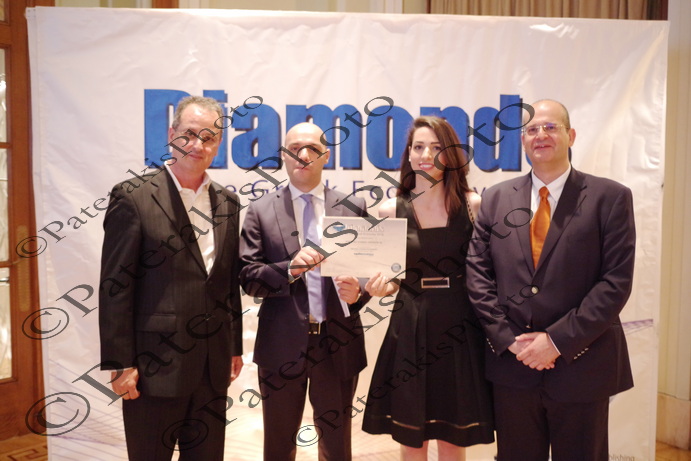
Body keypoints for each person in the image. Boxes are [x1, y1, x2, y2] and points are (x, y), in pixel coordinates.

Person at [466, 99, 636, 461]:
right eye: (532, 129)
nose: (540, 135)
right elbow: (478, 275)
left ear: (570, 135)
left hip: (582, 365)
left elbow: (615, 282)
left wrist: (557, 341)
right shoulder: (495, 199)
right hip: (513, 367)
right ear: (523, 141)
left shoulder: (610, 198)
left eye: (550, 127)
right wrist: (509, 340)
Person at [99, 95, 244, 461]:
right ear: (171, 134)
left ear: (218, 144)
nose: (197, 145)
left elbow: (228, 282)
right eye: (189, 134)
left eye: (208, 137)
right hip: (153, 369)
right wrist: (120, 363)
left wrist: (234, 347)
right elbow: (116, 287)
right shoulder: (133, 197)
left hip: (212, 368)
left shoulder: (228, 202)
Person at [361, 116, 494, 460]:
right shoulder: (389, 209)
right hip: (410, 323)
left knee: (453, 436)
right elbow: (390, 277)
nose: (426, 155)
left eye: (436, 148)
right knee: (411, 436)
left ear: (451, 154)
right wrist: (382, 286)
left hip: (460, 324)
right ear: (408, 154)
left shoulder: (473, 204)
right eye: (418, 147)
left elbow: (488, 271)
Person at [239, 122, 371, 461]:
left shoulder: (353, 207)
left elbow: (371, 271)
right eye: (295, 148)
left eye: (313, 148)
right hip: (280, 344)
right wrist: (289, 269)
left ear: (326, 156)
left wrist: (359, 292)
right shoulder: (261, 210)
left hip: (338, 342)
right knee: (278, 445)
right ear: (283, 155)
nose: (303, 154)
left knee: (337, 447)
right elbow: (249, 277)